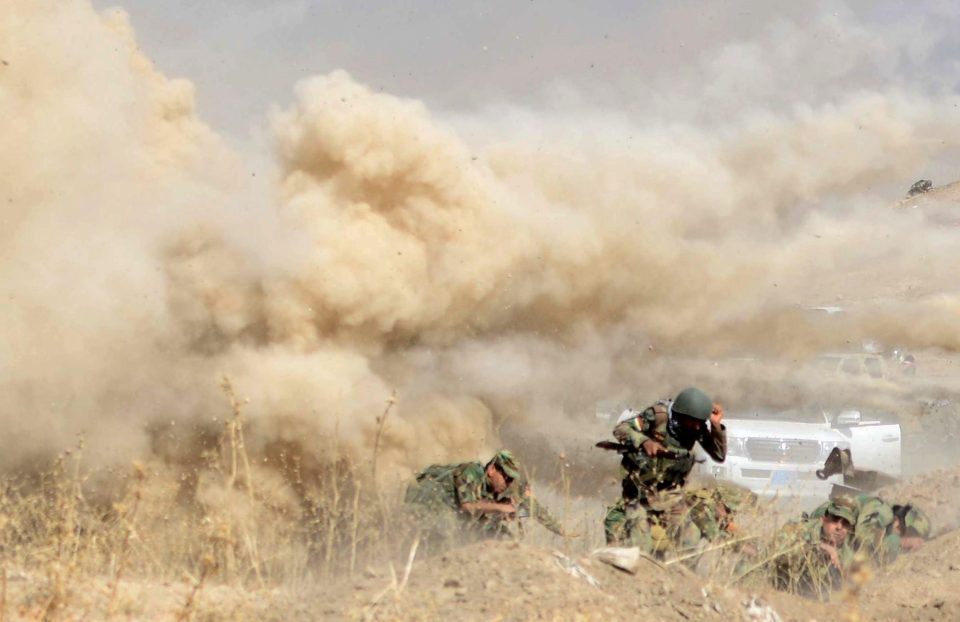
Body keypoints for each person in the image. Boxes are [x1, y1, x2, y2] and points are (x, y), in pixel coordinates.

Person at [602, 387, 726, 555]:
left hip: (670, 495)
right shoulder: (658, 416)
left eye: (700, 422)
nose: (697, 426)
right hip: (639, 493)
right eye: (693, 421)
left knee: (690, 541)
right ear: (681, 414)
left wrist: (716, 426)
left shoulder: (696, 428)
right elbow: (621, 429)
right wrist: (644, 442)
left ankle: (681, 575)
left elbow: (719, 455)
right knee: (639, 543)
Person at [404, 449, 564, 547]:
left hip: (456, 516)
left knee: (505, 538)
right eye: (506, 477)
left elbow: (529, 510)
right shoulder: (471, 471)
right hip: (430, 502)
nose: (508, 483)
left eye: (511, 480)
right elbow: (467, 506)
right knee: (447, 529)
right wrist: (500, 508)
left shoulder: (499, 490)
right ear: (492, 469)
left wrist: (561, 530)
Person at [772, 497, 858, 600]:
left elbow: (852, 586)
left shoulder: (846, 552)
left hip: (811, 596)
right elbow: (776, 553)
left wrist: (840, 566)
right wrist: (818, 548)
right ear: (823, 519)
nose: (839, 527)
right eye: (834, 520)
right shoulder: (800, 529)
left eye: (845, 523)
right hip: (780, 583)